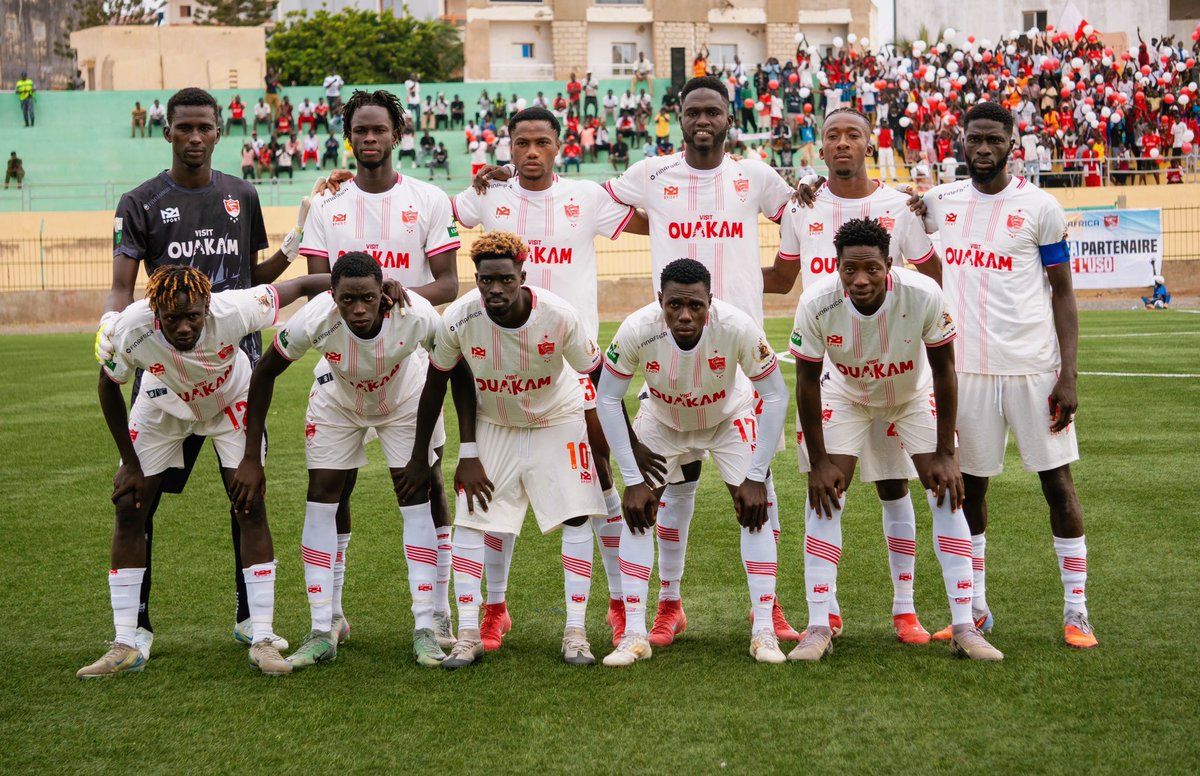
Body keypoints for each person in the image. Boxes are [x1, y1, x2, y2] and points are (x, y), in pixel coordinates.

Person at [93, 87, 304, 663]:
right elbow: (122, 282)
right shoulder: (139, 202)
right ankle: (131, 631)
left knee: (246, 495)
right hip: (168, 366)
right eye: (183, 127)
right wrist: (112, 322)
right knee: (136, 498)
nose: (194, 137)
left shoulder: (242, 194)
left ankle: (251, 621)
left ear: (218, 131)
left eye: (204, 127)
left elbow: (251, 274)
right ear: (167, 132)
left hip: (235, 366)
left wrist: (292, 248)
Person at [601, 76, 798, 645]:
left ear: (729, 117)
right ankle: (669, 605)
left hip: (737, 351)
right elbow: (595, 203)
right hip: (673, 343)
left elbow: (802, 215)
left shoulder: (754, 175)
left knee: (758, 489)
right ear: (679, 117)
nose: (703, 119)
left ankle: (771, 608)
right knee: (677, 487)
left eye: (714, 110)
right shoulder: (652, 174)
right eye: (693, 111)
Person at [79, 264, 331, 677]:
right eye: (171, 318)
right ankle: (125, 642)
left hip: (230, 402)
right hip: (162, 405)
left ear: (207, 306)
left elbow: (301, 285)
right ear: (154, 310)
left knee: (250, 506)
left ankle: (263, 638)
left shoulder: (235, 309)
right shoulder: (131, 327)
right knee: (129, 507)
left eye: (192, 316)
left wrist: (252, 458)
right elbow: (108, 386)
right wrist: (131, 462)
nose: (182, 327)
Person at [455, 106, 645, 651]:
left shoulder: (586, 197)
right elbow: (435, 217)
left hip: (573, 364)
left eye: (541, 142)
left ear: (559, 145)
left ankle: (614, 603)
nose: (531, 151)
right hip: (505, 371)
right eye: (521, 143)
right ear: (508, 147)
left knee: (601, 479)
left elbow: (652, 218)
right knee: (497, 498)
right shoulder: (487, 196)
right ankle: (493, 611)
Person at [917, 101, 1098, 650]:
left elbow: (1063, 294)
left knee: (1057, 484)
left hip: (1032, 370)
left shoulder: (1041, 207)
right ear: (961, 142)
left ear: (1013, 143)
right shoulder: (938, 202)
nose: (983, 149)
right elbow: (883, 207)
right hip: (965, 371)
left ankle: (1077, 609)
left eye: (994, 139)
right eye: (975, 139)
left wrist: (1068, 374)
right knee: (969, 489)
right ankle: (975, 609)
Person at [764, 108, 944, 643]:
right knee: (827, 487)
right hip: (827, 370)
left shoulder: (897, 206)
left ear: (870, 144)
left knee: (895, 486)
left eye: (853, 136)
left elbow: (931, 271)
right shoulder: (804, 205)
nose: (842, 144)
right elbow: (784, 275)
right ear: (819, 149)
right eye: (832, 136)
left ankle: (905, 609)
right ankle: (828, 610)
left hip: (890, 366)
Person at [788, 218, 1003, 662]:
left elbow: (945, 371)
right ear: (838, 266)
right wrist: (820, 460)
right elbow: (806, 381)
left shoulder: (924, 293)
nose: (860, 280)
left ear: (890, 263)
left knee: (946, 489)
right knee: (826, 493)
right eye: (850, 270)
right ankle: (817, 626)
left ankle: (964, 624)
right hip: (845, 395)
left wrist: (947, 452)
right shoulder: (816, 302)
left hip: (910, 395)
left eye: (871, 268)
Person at [396, 231, 607, 668]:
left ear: (522, 277)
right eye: (485, 280)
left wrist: (611, 445)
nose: (494, 289)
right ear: (476, 278)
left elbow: (600, 378)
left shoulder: (559, 315)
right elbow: (436, 388)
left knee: (577, 514)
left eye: (505, 280)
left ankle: (575, 632)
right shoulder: (458, 318)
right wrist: (432, 455)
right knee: (473, 520)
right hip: (495, 423)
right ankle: (469, 632)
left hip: (558, 417)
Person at [300, 89, 462, 648]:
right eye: (361, 131)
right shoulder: (328, 205)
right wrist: (362, 296)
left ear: (398, 134)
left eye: (380, 130)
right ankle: (331, 617)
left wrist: (395, 298)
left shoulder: (428, 199)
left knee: (423, 480)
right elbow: (322, 286)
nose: (370, 139)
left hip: (408, 362)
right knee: (331, 488)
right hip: (340, 369)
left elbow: (448, 284)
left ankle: (437, 611)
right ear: (350, 137)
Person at [231, 252, 448, 668]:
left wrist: (422, 452)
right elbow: (264, 372)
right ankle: (323, 627)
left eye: (366, 297)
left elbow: (449, 367)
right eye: (347, 299)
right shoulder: (316, 317)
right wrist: (250, 455)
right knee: (322, 497)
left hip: (405, 401)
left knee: (415, 496)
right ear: (333, 296)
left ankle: (428, 625)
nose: (358, 308)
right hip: (338, 401)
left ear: (383, 293)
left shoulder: (415, 314)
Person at [597, 258, 790, 666]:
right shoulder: (636, 329)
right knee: (638, 511)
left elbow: (775, 395)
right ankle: (634, 633)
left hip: (727, 418)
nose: (684, 316)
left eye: (695, 306)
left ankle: (764, 632)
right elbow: (607, 397)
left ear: (710, 302)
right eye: (674, 305)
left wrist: (756, 475)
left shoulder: (736, 326)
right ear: (660, 301)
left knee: (755, 511)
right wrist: (632, 477)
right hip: (663, 420)